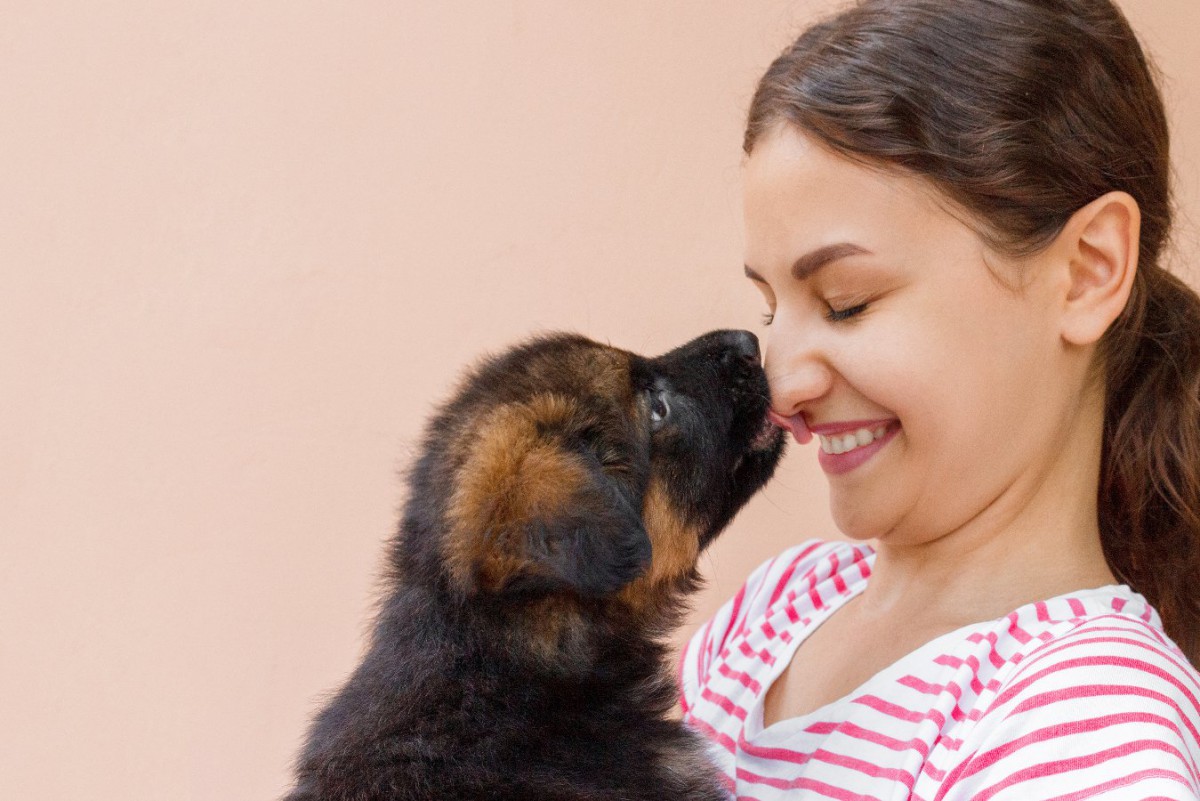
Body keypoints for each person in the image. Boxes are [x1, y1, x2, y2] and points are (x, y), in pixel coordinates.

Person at [679, 0, 1200, 798]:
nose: (779, 388)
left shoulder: (1089, 728)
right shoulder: (771, 615)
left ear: (1089, 268)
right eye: (769, 310)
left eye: (847, 301)